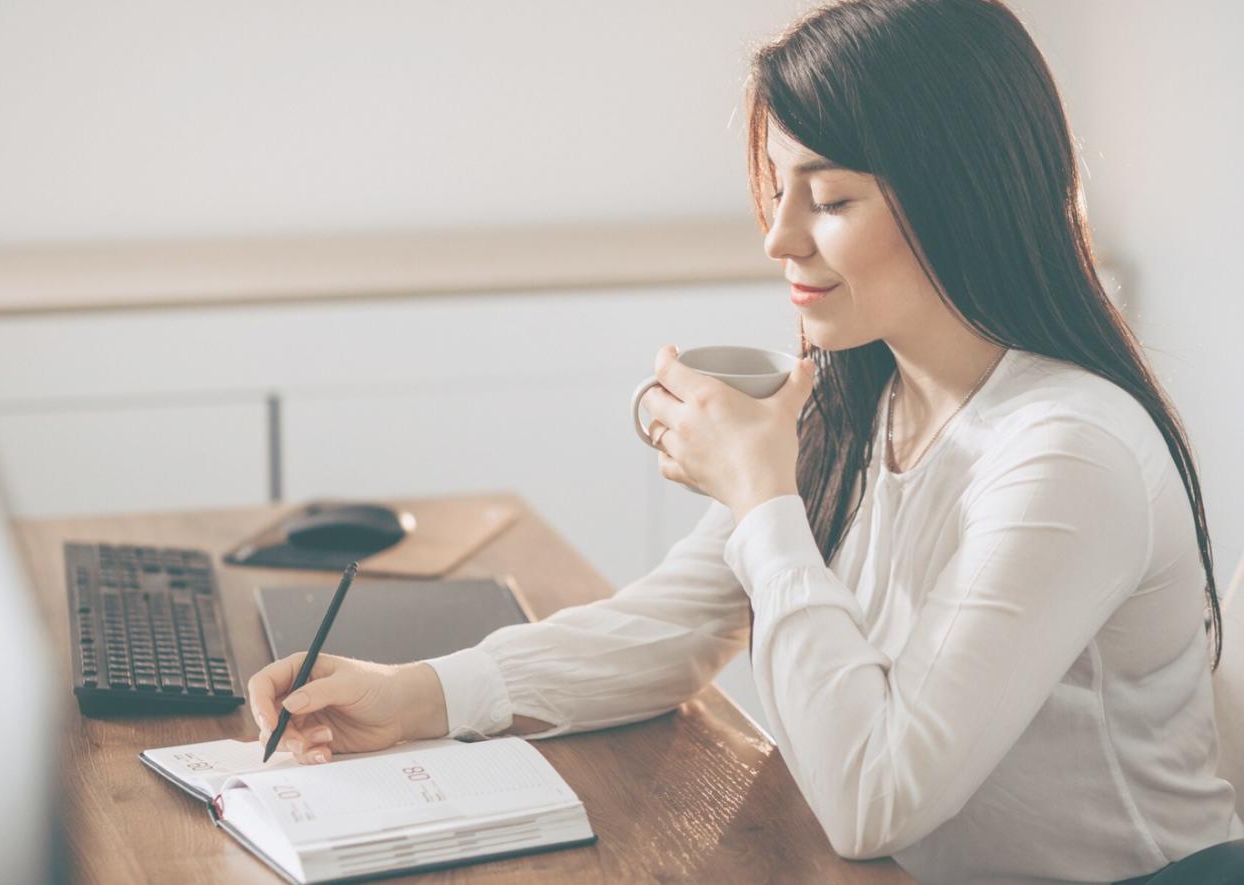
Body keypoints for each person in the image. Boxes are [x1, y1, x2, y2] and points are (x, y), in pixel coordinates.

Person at [248, 0, 1243, 881]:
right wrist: (415, 693)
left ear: (962, 198)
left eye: (833, 199)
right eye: (777, 188)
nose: (779, 239)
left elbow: (871, 798)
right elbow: (676, 629)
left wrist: (761, 500)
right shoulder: (858, 393)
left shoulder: (1065, 456)